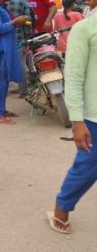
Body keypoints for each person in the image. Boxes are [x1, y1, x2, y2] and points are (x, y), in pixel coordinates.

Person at [47, 14, 97, 234]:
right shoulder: (85, 29)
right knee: (88, 167)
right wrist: (77, 121)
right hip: (94, 115)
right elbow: (74, 76)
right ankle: (62, 207)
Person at [7, 0, 35, 96]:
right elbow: (28, 21)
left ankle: (4, 89)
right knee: (21, 64)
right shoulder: (22, 0)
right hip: (19, 38)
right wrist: (28, 35)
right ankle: (23, 90)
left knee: (4, 64)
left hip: (4, 38)